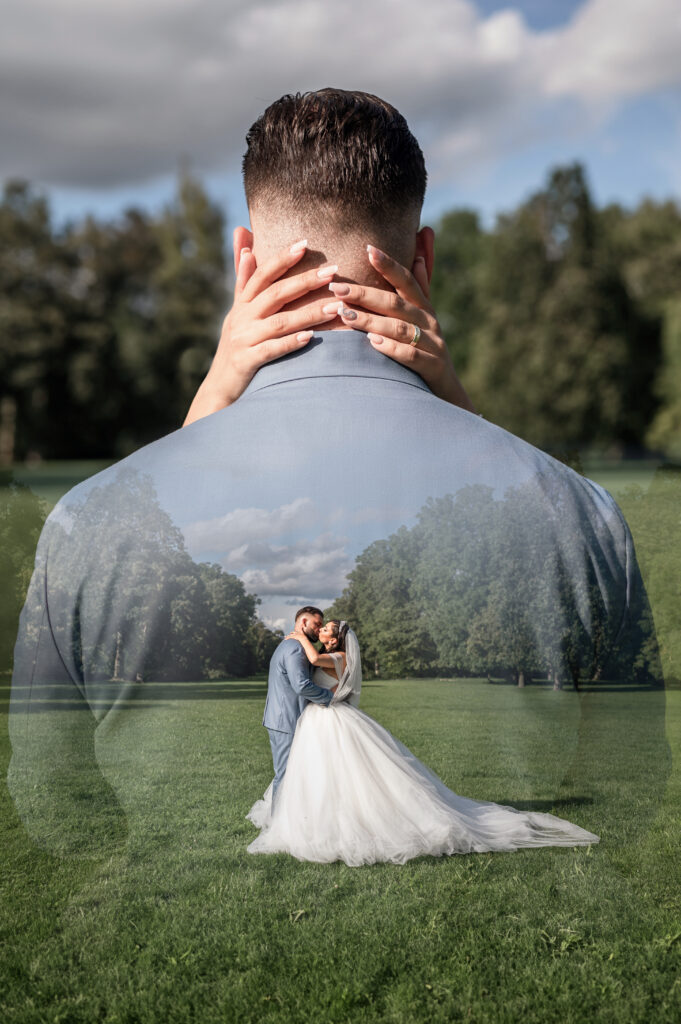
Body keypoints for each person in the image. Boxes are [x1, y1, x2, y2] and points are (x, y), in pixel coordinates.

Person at [7, 88, 667, 861]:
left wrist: (206, 407)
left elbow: (46, 814)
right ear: (420, 260)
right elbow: (644, 796)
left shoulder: (87, 519)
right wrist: (463, 411)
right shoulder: (582, 511)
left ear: (244, 262)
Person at [247, 619, 598, 866]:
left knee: (348, 773)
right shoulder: (331, 651)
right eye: (318, 628)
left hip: (330, 718)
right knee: (322, 775)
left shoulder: (337, 658)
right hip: (319, 721)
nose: (320, 631)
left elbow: (310, 660)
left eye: (325, 629)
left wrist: (297, 634)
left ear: (337, 640)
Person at [262, 606, 336, 803]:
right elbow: (302, 686)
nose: (319, 629)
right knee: (285, 776)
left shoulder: (294, 645)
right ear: (303, 622)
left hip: (289, 718)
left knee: (296, 775)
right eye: (317, 624)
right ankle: (277, 826)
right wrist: (331, 697)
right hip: (285, 720)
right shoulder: (295, 648)